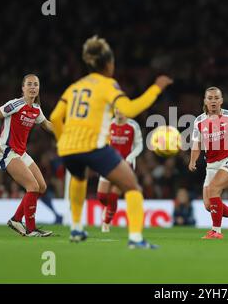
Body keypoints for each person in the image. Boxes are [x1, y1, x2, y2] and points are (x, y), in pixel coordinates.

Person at [50, 35, 173, 248]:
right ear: (108, 64)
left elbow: (54, 117)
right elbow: (129, 109)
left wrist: (62, 142)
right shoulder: (107, 85)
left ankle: (76, 229)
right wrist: (157, 88)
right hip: (93, 146)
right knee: (133, 187)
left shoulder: (75, 87)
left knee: (79, 181)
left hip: (68, 147)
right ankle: (135, 238)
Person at [0, 74, 54, 237]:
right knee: (33, 187)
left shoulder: (36, 108)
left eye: (35, 84)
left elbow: (46, 124)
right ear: (23, 88)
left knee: (41, 187)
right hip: (6, 151)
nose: (32, 87)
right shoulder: (16, 104)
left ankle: (16, 219)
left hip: (21, 152)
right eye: (29, 84)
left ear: (38, 88)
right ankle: (31, 229)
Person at [189, 87, 228, 239]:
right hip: (211, 164)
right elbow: (196, 144)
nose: (213, 101)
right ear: (205, 101)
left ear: (221, 100)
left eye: (216, 98)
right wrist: (193, 160)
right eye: (210, 98)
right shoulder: (199, 121)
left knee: (213, 189)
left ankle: (216, 231)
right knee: (209, 205)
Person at [96, 108, 143, 233]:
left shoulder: (133, 126)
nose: (119, 110)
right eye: (116, 108)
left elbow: (139, 145)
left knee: (113, 196)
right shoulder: (108, 124)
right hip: (108, 163)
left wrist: (130, 158)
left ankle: (106, 223)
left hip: (125, 165)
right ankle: (107, 208)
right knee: (101, 196)